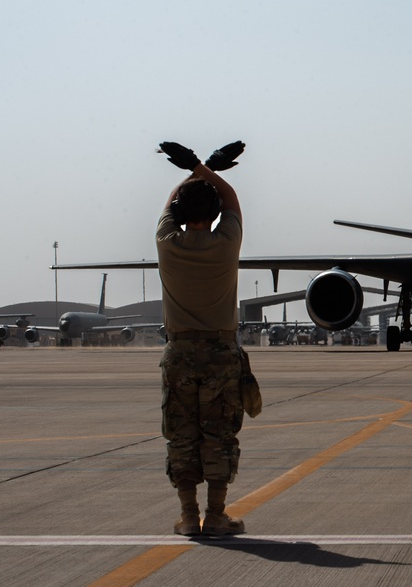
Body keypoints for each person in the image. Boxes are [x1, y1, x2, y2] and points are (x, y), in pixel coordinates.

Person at [156, 140, 246, 536]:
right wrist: (206, 167)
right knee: (219, 434)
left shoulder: (166, 244)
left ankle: (189, 516)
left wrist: (192, 169)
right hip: (220, 352)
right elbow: (230, 197)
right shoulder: (226, 243)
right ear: (213, 215)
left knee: (181, 434)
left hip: (178, 353)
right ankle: (217, 515)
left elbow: (171, 205)